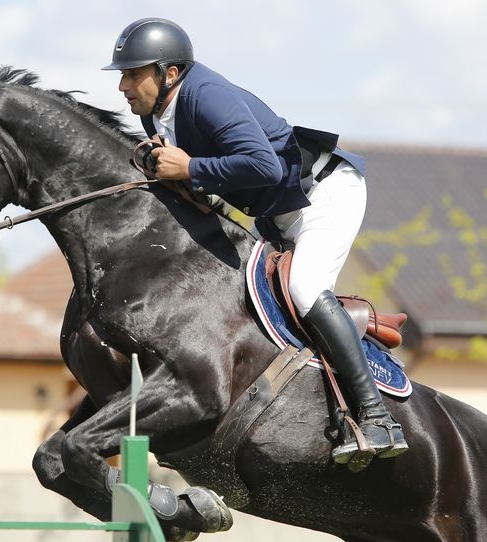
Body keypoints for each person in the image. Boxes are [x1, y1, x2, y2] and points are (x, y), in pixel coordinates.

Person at [103, 17, 407, 469]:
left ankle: (377, 417)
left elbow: (262, 166)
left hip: (323, 193)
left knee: (304, 289)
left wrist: (189, 169)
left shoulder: (206, 95)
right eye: (123, 75)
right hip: (274, 209)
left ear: (169, 73)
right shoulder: (154, 112)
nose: (123, 86)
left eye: (133, 73)